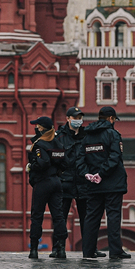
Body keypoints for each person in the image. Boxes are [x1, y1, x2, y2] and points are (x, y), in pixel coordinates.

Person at [52, 107, 105, 258]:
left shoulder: (87, 136)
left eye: (80, 117)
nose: (78, 120)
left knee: (88, 218)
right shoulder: (59, 137)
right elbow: (55, 158)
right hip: (65, 181)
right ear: (68, 119)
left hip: (83, 182)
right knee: (60, 217)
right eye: (75, 117)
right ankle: (58, 247)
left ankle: (91, 248)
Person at [78, 106, 130, 259]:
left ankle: (88, 251)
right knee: (113, 217)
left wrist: (87, 174)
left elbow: (80, 159)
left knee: (91, 217)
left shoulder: (87, 136)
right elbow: (115, 157)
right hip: (112, 184)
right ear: (111, 119)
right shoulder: (113, 134)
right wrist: (101, 173)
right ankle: (115, 251)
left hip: (93, 184)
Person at [26, 116, 68, 259]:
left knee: (37, 215)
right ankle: (61, 248)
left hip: (42, 182)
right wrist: (56, 169)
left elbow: (43, 162)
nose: (36, 128)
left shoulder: (40, 144)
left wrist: (31, 166)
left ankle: (34, 249)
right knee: (58, 216)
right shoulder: (58, 143)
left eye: (38, 126)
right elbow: (65, 163)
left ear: (42, 128)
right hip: (56, 182)